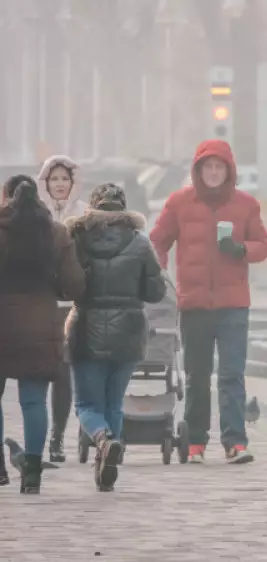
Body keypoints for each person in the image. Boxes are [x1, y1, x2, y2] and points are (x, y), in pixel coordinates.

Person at [149, 140, 267, 464]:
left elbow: (263, 245)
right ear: (198, 170)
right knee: (197, 377)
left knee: (231, 375)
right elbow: (157, 241)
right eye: (208, 167)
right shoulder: (179, 203)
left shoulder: (246, 205)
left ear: (229, 171)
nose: (214, 173)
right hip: (194, 304)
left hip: (233, 305)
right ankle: (195, 442)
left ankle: (235, 442)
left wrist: (241, 249)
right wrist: (159, 276)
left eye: (219, 167)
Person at [66, 183, 167, 491]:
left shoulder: (77, 240)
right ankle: (107, 464)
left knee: (86, 404)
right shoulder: (140, 243)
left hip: (87, 331)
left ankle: (102, 439)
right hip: (129, 333)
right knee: (114, 403)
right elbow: (156, 292)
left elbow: (68, 286)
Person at [0, 175, 86, 493]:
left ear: (6, 197)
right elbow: (74, 285)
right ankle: (33, 471)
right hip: (40, 324)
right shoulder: (56, 233)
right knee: (33, 400)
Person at [36, 155, 84, 462]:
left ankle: (58, 435)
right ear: (45, 183)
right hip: (43, 302)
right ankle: (39, 438)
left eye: (64, 179)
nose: (60, 184)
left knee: (65, 372)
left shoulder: (83, 213)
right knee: (42, 371)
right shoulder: (36, 214)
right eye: (54, 179)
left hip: (71, 303)